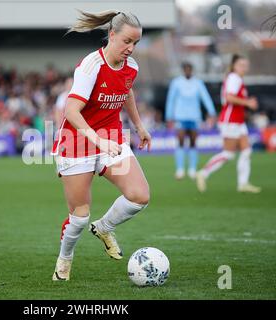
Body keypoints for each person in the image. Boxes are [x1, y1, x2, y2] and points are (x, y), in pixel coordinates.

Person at [50, 10, 152, 281]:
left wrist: (139, 126)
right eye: (127, 41)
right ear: (112, 35)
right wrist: (97, 140)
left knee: (140, 195)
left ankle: (104, 228)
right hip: (77, 143)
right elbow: (71, 111)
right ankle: (65, 259)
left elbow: (126, 91)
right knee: (79, 217)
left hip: (111, 139)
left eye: (136, 43)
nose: (131, 48)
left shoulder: (132, 67)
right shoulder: (90, 66)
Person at [196, 54, 261, 193]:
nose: (244, 68)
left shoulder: (237, 78)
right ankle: (203, 173)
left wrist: (246, 103)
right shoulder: (234, 78)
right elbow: (229, 97)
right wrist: (248, 102)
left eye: (245, 65)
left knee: (246, 151)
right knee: (228, 154)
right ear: (234, 66)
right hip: (230, 120)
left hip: (238, 121)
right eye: (241, 65)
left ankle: (243, 183)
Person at [165, 62, 216, 180]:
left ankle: (192, 169)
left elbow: (205, 97)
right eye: (186, 69)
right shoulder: (176, 82)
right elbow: (171, 99)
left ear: (192, 70)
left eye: (189, 69)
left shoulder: (198, 83)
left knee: (193, 142)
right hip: (180, 116)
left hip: (194, 117)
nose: (188, 71)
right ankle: (180, 169)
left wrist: (212, 112)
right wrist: (169, 116)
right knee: (181, 141)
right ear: (183, 70)